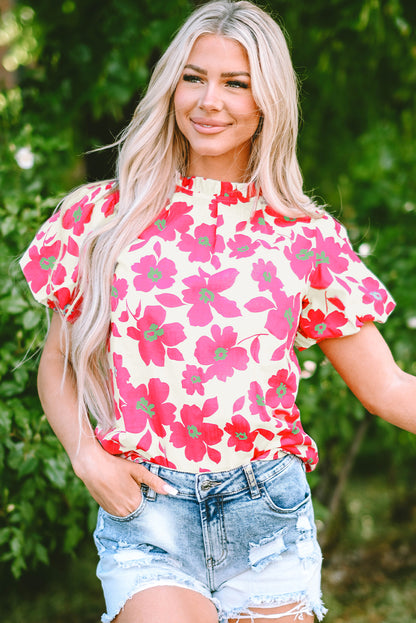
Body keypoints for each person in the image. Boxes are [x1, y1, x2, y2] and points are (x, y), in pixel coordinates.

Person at [20, 1, 416, 622]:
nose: (210, 101)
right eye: (194, 77)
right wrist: (87, 456)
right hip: (149, 513)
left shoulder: (304, 235)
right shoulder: (101, 217)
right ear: (171, 85)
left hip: (269, 515)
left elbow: (387, 389)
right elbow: (58, 365)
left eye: (236, 83)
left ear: (268, 101)